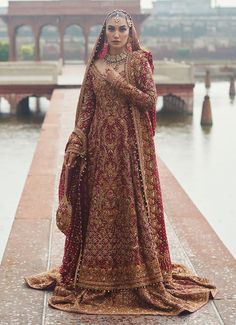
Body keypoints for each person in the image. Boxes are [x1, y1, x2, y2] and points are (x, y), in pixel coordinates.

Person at [25, 9, 217, 315]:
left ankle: (135, 272)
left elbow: (149, 100)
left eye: (122, 29)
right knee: (102, 206)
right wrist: (77, 141)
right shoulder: (95, 67)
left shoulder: (139, 62)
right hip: (101, 150)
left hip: (130, 150)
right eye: (112, 29)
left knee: (129, 206)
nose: (117, 34)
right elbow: (87, 110)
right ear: (105, 33)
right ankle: (96, 273)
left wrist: (118, 82)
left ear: (130, 32)